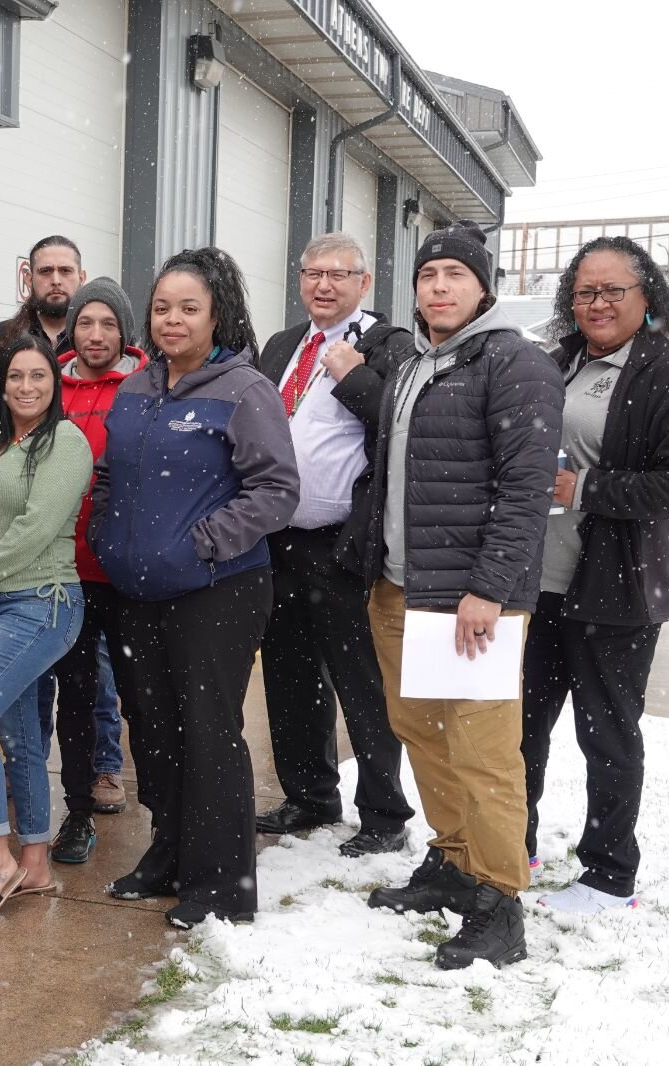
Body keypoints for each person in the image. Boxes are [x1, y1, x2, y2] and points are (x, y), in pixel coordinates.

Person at [357, 221, 563, 970]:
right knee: (423, 734)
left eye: (454, 274)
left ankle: (501, 901)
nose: (438, 287)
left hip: (471, 603)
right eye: (427, 275)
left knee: (483, 753)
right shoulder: (418, 363)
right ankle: (451, 860)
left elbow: (525, 490)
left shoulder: (515, 363)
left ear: (484, 287)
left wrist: (487, 589)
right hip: (403, 590)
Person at [89, 247, 300, 930]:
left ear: (217, 316)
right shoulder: (136, 388)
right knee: (152, 731)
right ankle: (170, 854)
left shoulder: (244, 390)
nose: (171, 320)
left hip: (218, 591)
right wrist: (104, 533)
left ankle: (224, 884)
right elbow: (113, 473)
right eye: (161, 308)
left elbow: (277, 491)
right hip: (137, 591)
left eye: (188, 308)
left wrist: (202, 543)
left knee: (209, 733)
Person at [522, 237, 669, 913]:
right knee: (520, 728)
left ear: (647, 297)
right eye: (585, 292)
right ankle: (511, 843)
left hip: (617, 588)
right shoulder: (560, 363)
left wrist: (585, 489)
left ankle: (609, 873)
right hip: (538, 584)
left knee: (605, 733)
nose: (598, 303)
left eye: (613, 290)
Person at [253, 234, 415, 856]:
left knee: (361, 683)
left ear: (364, 282)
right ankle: (309, 796)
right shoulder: (283, 345)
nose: (324, 285)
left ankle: (383, 815)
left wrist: (355, 377)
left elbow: (400, 425)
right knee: (291, 678)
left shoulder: (389, 344)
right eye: (312, 273)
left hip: (343, 545)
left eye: (338, 275)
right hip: (278, 542)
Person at [0, 333, 93, 923]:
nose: (26, 387)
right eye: (15, 378)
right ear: (1, 387)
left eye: (38, 377)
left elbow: (38, 525)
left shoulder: (66, 443)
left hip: (42, 604)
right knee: (22, 739)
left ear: (54, 385)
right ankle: (35, 863)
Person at [44, 277, 148, 864]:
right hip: (65, 573)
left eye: (109, 324)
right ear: (72, 327)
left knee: (144, 698)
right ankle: (78, 814)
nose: (97, 335)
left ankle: (166, 817)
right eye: (86, 322)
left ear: (124, 332)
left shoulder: (145, 387)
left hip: (128, 574)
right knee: (77, 697)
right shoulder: (45, 386)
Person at [0, 235, 86, 428]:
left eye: (65, 271)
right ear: (29, 279)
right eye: (45, 271)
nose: (55, 280)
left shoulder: (98, 346)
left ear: (81, 278)